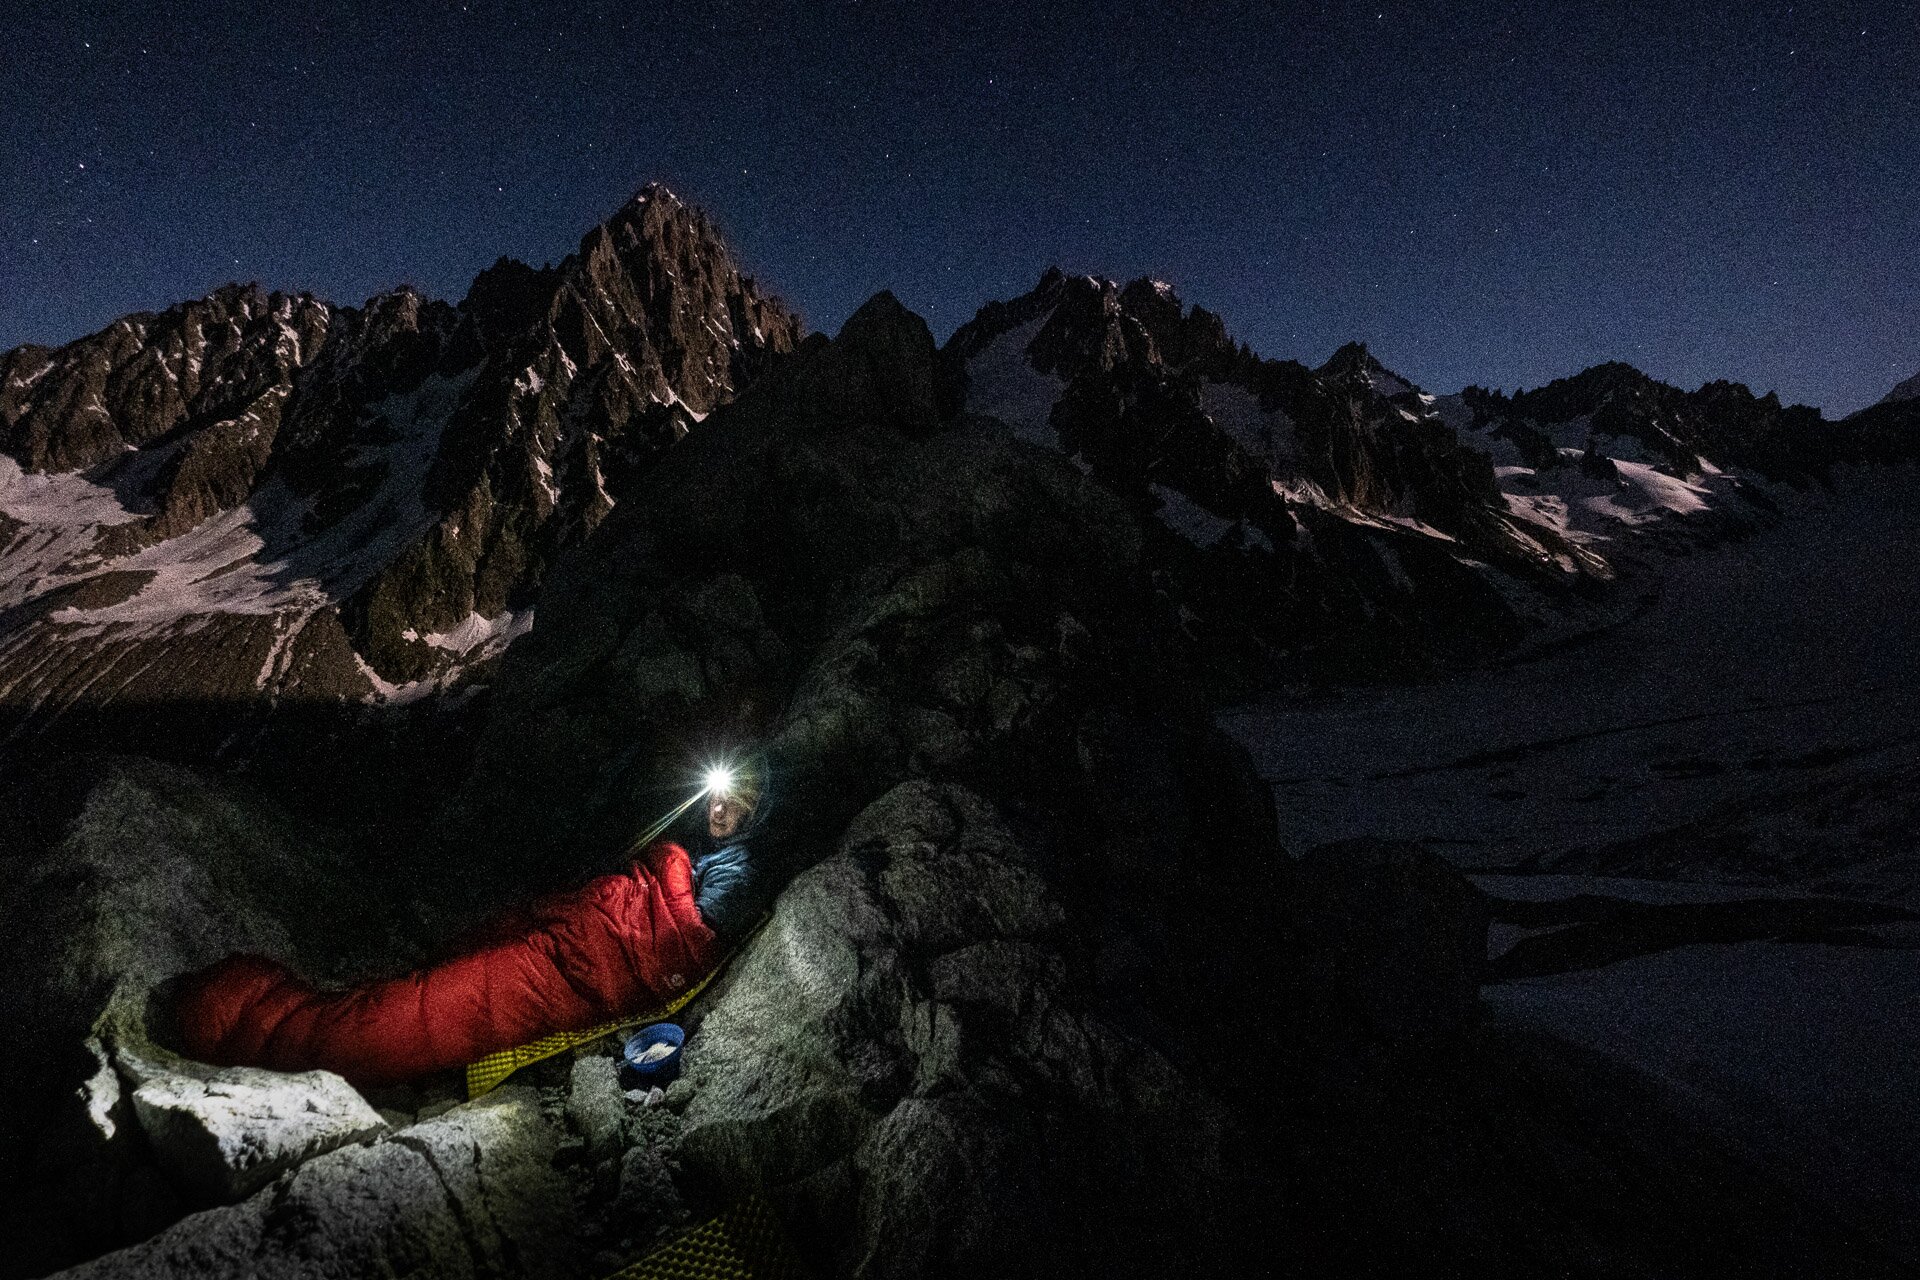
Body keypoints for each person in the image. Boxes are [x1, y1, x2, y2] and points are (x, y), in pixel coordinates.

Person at [174, 764, 779, 1088]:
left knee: (431, 1014)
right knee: (448, 970)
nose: (717, 810)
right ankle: (277, 1015)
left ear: (757, 812)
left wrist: (666, 864)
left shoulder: (742, 868)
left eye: (734, 803)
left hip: (586, 965)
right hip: (574, 934)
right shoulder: (709, 851)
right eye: (717, 799)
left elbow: (684, 945)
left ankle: (266, 1033)